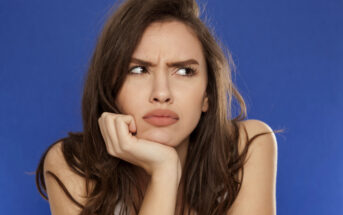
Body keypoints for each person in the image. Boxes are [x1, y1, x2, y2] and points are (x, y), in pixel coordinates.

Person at [35, 0, 280, 214]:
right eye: (139, 70)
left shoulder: (245, 147)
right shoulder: (73, 165)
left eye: (184, 71)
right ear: (111, 89)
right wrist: (164, 171)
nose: (161, 93)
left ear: (207, 95)